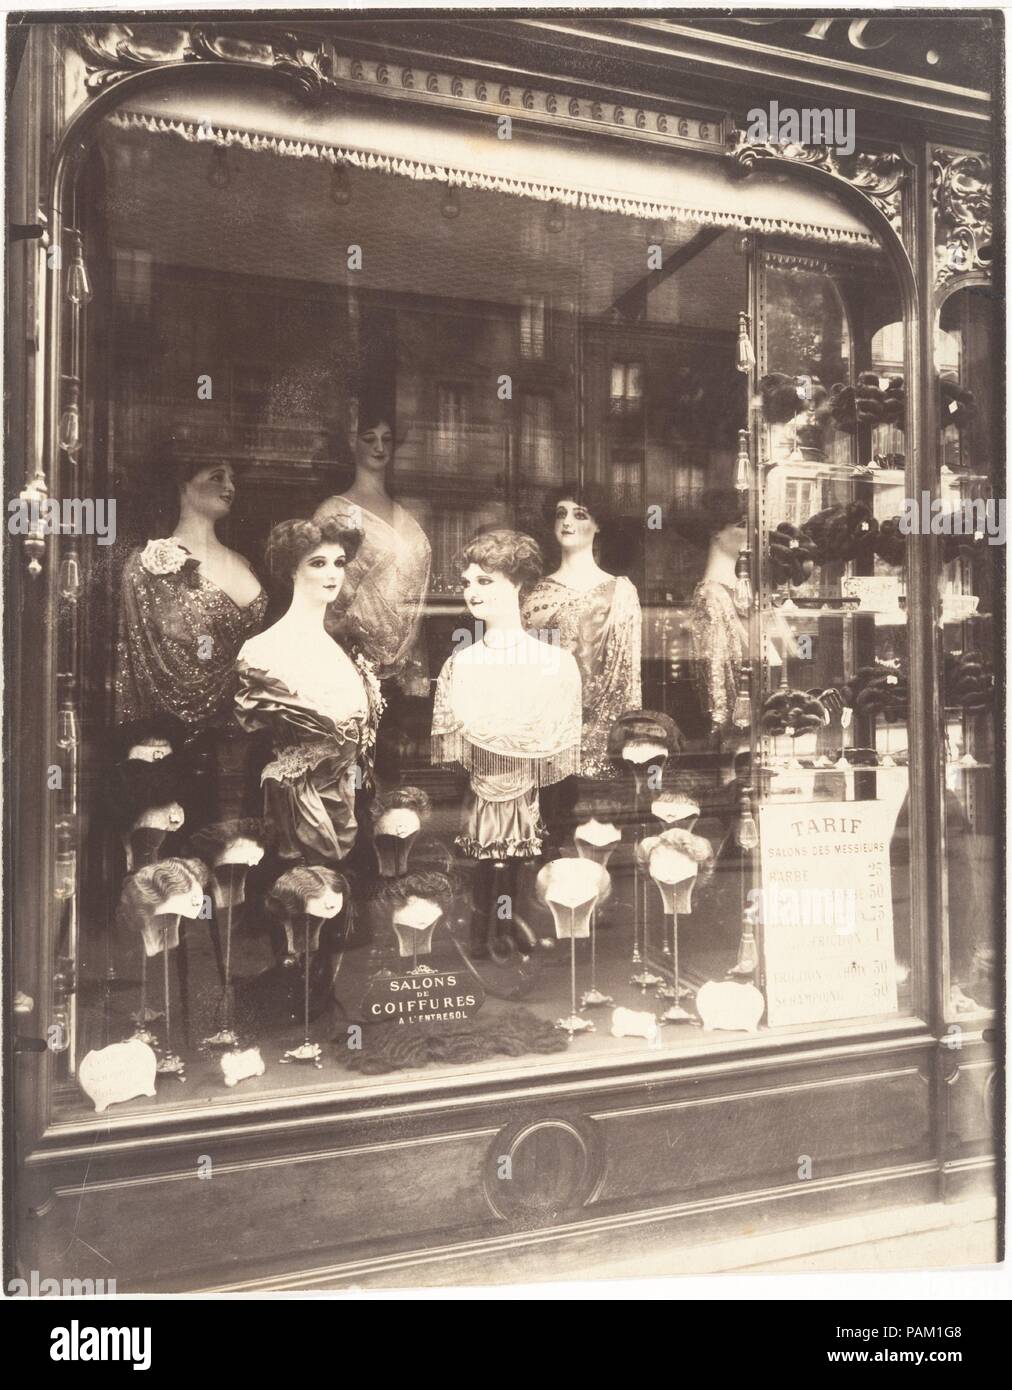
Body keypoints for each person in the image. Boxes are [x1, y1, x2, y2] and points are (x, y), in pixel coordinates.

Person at [431, 528, 581, 955]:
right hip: (485, 788)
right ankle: (483, 932)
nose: (472, 593)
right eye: (467, 583)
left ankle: (507, 927)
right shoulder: (463, 664)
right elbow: (462, 737)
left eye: (486, 581)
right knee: (487, 863)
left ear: (517, 584)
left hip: (527, 790)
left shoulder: (554, 662)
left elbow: (555, 732)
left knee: (515, 862)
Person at [114, 449, 268, 826]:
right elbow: (139, 655)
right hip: (183, 737)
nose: (229, 487)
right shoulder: (147, 564)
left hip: (246, 731)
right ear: (183, 483)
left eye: (233, 479)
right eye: (217, 476)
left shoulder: (244, 561)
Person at [234, 518, 382, 867]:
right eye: (318, 563)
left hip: (349, 805)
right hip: (297, 814)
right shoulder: (263, 651)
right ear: (291, 571)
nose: (333, 573)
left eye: (339, 563)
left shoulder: (344, 648)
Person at [521, 484, 641, 779]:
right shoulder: (534, 592)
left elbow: (630, 674)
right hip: (544, 729)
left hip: (603, 733)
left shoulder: (621, 592)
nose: (568, 522)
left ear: (598, 525)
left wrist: (629, 733)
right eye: (561, 514)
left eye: (580, 515)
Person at [314, 409, 431, 698]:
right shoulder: (335, 511)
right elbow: (319, 592)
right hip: (353, 659)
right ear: (351, 443)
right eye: (369, 439)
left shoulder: (407, 514)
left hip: (407, 659)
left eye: (387, 439)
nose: (380, 448)